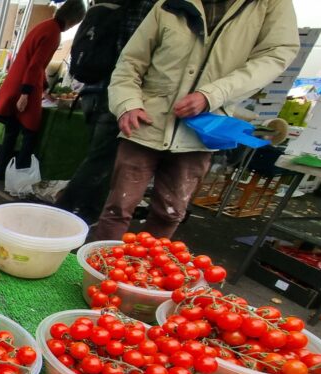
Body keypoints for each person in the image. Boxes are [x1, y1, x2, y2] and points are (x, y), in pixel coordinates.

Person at [93, 0, 299, 240]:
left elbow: (276, 55)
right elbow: (130, 62)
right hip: (145, 123)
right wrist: (127, 103)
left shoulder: (269, 4)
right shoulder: (167, 4)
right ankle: (99, 260)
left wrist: (213, 95)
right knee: (117, 208)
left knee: (170, 213)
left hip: (202, 131)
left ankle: (150, 263)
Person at [56, 0, 158, 223]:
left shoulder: (108, 8)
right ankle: (65, 211)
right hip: (115, 97)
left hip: (92, 93)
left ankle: (86, 212)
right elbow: (132, 60)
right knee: (102, 160)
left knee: (101, 159)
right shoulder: (145, 9)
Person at [0, 0, 87, 181]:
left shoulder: (45, 26)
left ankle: (3, 173)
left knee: (12, 131)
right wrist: (25, 93)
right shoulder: (53, 33)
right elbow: (35, 65)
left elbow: (37, 65)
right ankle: (19, 174)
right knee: (30, 132)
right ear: (74, 19)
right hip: (24, 85)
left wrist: (45, 88)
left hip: (18, 82)